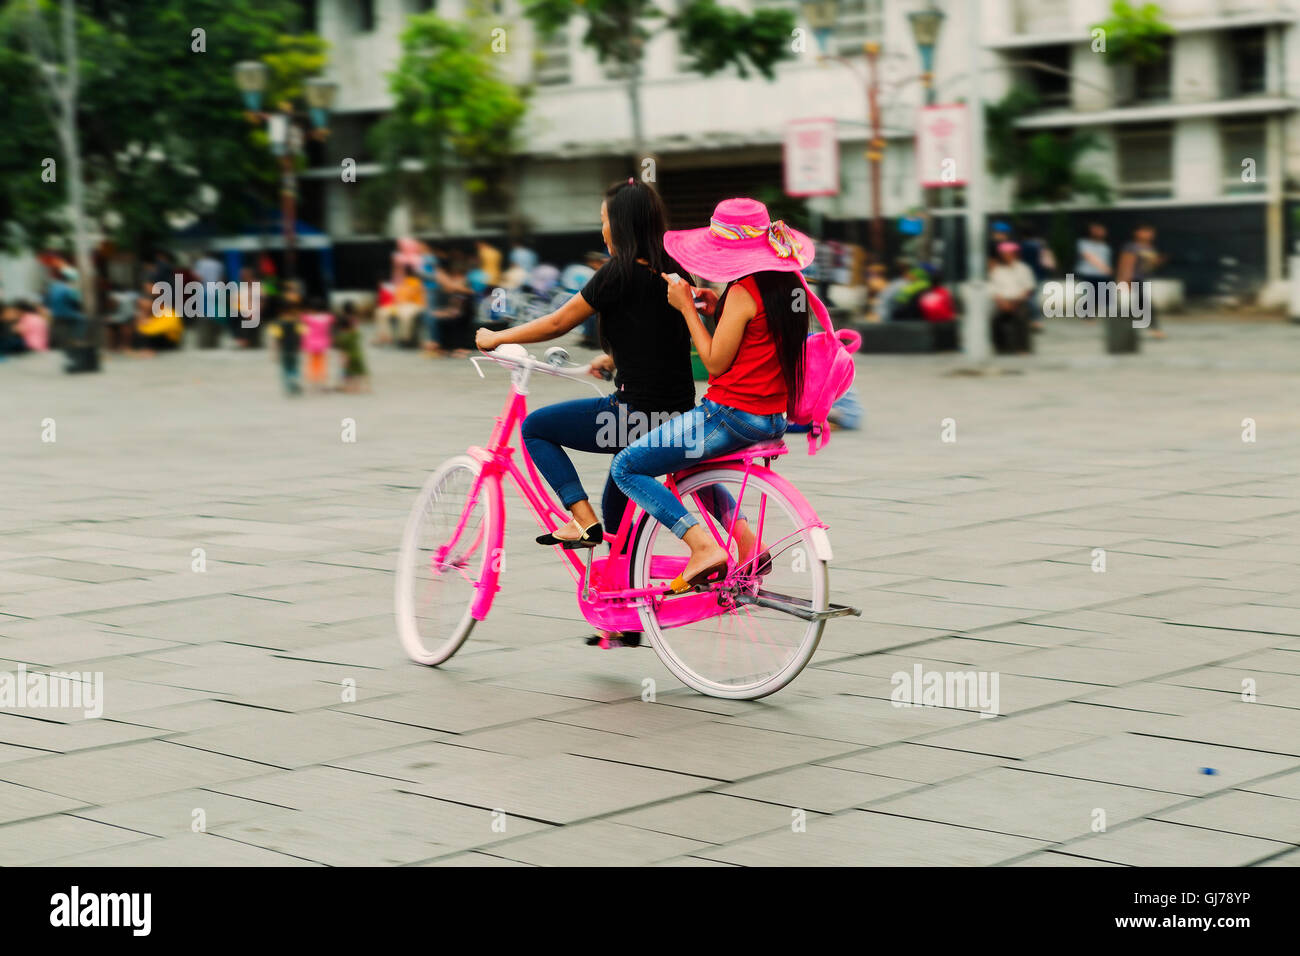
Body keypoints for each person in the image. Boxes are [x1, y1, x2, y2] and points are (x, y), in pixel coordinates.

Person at [473, 179, 698, 597]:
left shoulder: (616, 272)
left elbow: (559, 322)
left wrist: (498, 338)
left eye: (604, 220)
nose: (602, 230)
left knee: (536, 428)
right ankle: (625, 614)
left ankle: (581, 519)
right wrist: (615, 359)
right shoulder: (673, 270)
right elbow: (659, 334)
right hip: (677, 413)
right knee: (620, 528)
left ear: (622, 224)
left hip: (633, 418)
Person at [609, 197, 813, 593]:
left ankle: (701, 547)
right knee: (686, 465)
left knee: (626, 467)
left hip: (732, 413)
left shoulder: (744, 292)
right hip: (773, 416)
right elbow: (758, 335)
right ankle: (748, 542)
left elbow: (716, 363)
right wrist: (718, 308)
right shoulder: (785, 286)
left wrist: (686, 308)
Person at [1117, 224, 1165, 339]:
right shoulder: (1132, 247)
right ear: (1137, 233)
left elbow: (1149, 266)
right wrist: (1124, 279)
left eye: (1150, 232)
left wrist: (1158, 261)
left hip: (1143, 279)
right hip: (1133, 279)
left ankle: (1124, 330)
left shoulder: (1150, 248)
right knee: (1145, 305)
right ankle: (1154, 329)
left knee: (1135, 306)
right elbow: (1126, 263)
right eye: (1145, 231)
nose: (1148, 235)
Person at [989, 240, 1036, 354]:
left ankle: (1023, 348)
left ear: (1015, 254)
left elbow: (1028, 288)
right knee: (995, 319)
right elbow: (993, 288)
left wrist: (1015, 302)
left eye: (1009, 254)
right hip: (1002, 302)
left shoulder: (1023, 269)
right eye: (1004, 254)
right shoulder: (997, 270)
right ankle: (1001, 348)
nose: (1007, 257)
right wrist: (1001, 302)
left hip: (1019, 301)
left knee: (1021, 316)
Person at [269, 286, 306, 394]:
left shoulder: (277, 323)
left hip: (284, 350)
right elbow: (302, 334)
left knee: (285, 368)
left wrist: (274, 352)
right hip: (294, 349)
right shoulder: (297, 322)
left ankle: (288, 386)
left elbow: (275, 339)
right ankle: (294, 382)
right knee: (294, 367)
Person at [1074, 222, 1112, 322]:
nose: (1100, 232)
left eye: (1101, 230)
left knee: (1104, 294)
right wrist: (1104, 267)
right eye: (1096, 230)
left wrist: (1106, 269)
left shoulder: (1105, 246)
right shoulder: (1083, 243)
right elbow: (1088, 256)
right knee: (1089, 294)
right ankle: (1087, 315)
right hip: (1088, 273)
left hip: (1102, 274)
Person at [334, 303, 370, 392]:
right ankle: (367, 387)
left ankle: (348, 387)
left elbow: (342, 349)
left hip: (349, 356)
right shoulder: (355, 332)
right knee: (361, 371)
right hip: (358, 355)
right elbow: (358, 333)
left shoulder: (342, 336)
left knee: (347, 372)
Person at [302, 297, 334, 388]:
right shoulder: (328, 318)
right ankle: (322, 379)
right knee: (322, 362)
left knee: (312, 362)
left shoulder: (307, 318)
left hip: (311, 343)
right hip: (323, 343)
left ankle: (313, 379)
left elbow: (303, 324)